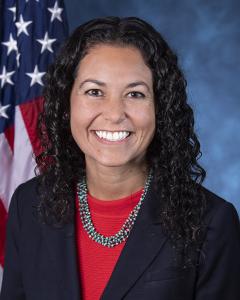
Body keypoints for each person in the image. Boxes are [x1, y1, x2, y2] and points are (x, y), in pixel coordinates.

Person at [0, 16, 239, 300]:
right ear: (67, 103)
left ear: (160, 108)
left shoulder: (211, 222)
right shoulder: (29, 204)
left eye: (135, 94)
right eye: (94, 92)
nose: (114, 114)